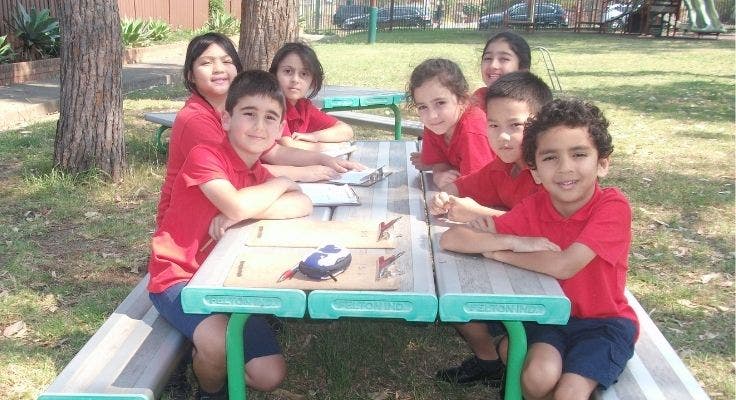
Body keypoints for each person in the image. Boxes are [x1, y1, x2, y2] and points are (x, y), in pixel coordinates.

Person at [440, 99, 638, 399]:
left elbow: (565, 265)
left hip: (604, 323)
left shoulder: (612, 206)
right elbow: (452, 239)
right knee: (537, 376)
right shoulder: (534, 206)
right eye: (550, 158)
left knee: (569, 392)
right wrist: (512, 241)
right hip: (547, 318)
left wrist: (501, 254)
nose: (565, 168)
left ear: (602, 164)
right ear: (534, 171)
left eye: (579, 154)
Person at [148, 70, 313, 399]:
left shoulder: (257, 171)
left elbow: (303, 203)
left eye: (270, 118)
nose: (259, 126)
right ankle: (211, 391)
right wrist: (274, 188)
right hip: (179, 277)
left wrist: (259, 197)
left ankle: (208, 356)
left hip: (228, 277)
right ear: (226, 119)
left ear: (280, 129)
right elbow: (237, 205)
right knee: (220, 344)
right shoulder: (205, 156)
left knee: (269, 376)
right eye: (248, 114)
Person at [157, 33, 360, 225]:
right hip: (191, 226)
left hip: (228, 210)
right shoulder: (195, 119)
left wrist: (325, 160)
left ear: (237, 69)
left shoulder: (239, 109)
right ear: (191, 75)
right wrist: (301, 175)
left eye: (226, 61)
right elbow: (237, 177)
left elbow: (274, 151)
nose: (218, 68)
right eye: (206, 62)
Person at [429, 71, 552, 223]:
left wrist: (479, 214)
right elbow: (462, 186)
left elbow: (545, 225)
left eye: (515, 125)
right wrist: (443, 198)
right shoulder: (502, 168)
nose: (502, 136)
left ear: (541, 124)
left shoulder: (550, 170)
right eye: (494, 125)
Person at [407, 58, 496, 189]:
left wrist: (450, 185)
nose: (432, 115)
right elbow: (439, 162)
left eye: (440, 103)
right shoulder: (437, 124)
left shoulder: (471, 131)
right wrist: (438, 176)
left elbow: (478, 186)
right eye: (422, 107)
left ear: (462, 100)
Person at [269, 42, 354, 152]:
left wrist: (314, 136)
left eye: (304, 74)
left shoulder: (303, 107)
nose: (295, 79)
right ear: (274, 74)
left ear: (313, 81)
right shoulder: (271, 105)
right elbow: (286, 145)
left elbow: (346, 131)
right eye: (288, 71)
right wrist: (329, 147)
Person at [470, 31, 531, 108]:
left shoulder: (530, 106)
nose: (493, 65)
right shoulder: (478, 99)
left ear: (523, 69)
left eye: (504, 59)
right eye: (488, 58)